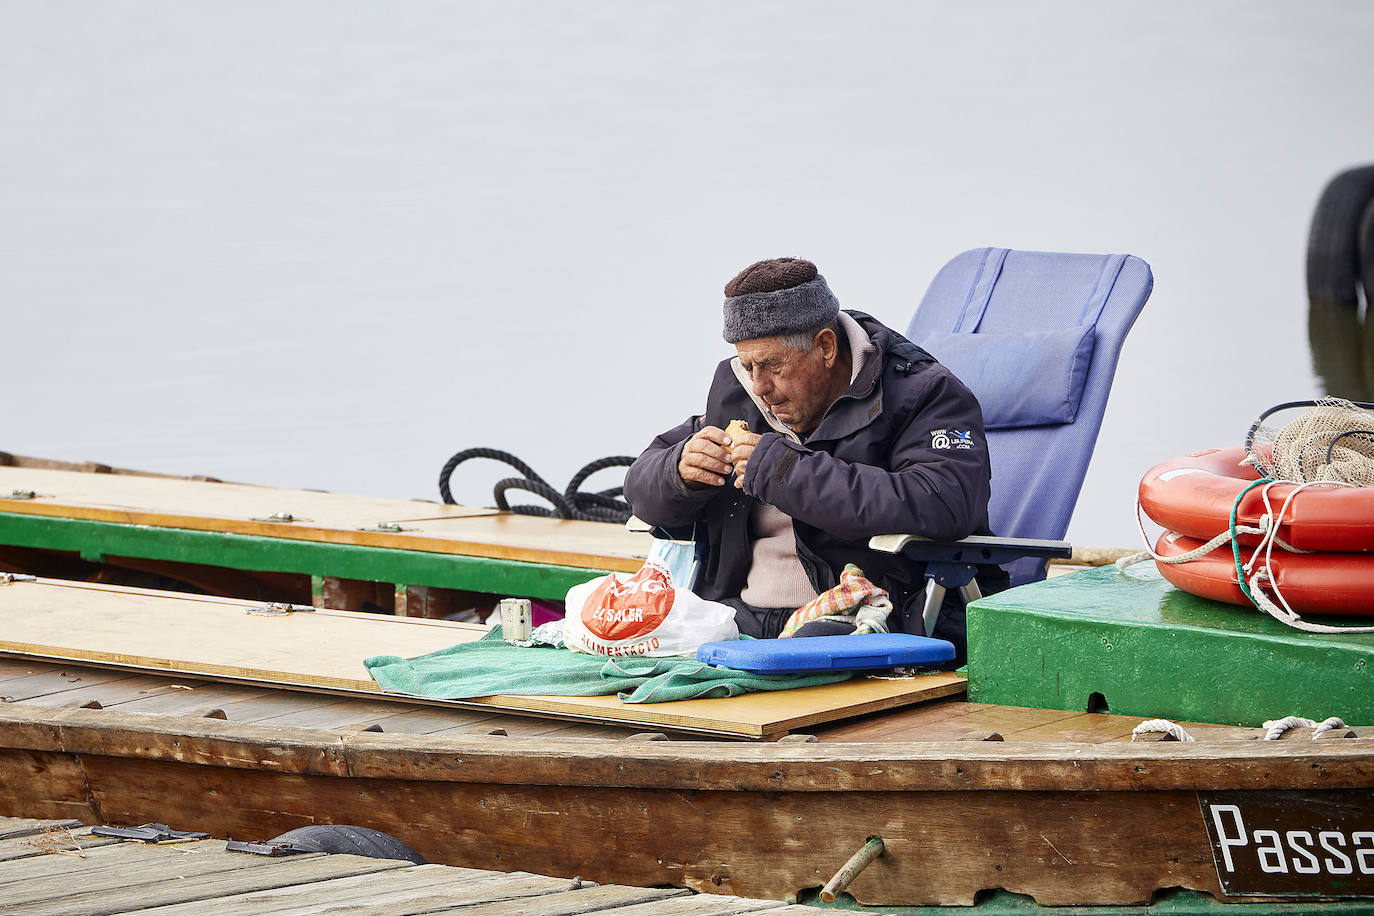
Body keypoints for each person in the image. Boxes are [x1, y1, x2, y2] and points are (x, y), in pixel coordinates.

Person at [623, 257, 1004, 659]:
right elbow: (640, 486)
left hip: (867, 614)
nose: (759, 385)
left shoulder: (924, 393)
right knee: (620, 642)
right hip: (738, 619)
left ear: (825, 346)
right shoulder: (740, 388)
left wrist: (783, 470)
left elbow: (943, 501)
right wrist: (679, 470)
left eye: (772, 365)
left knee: (771, 666)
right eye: (748, 364)